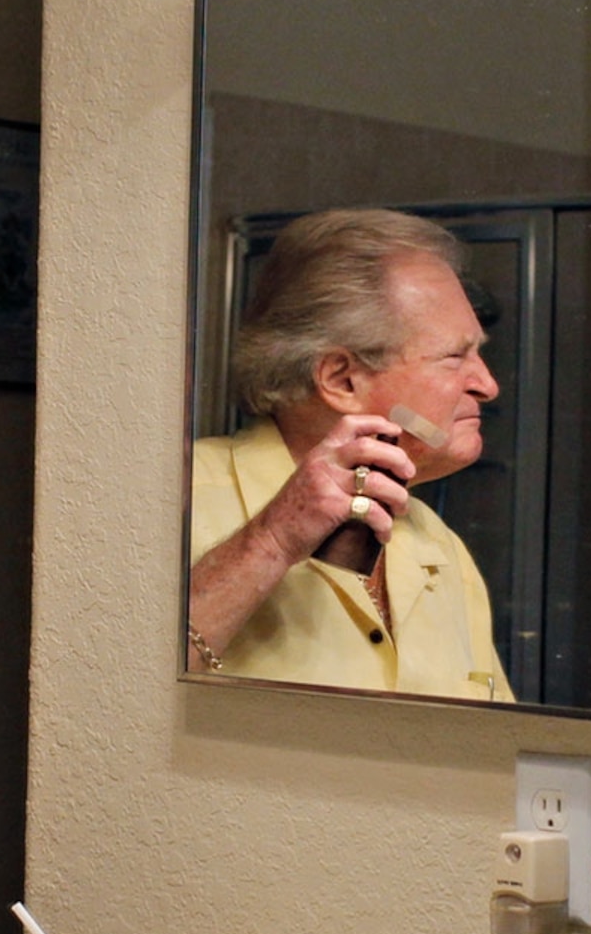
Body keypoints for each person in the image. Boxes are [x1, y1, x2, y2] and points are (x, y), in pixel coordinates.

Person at [185, 207, 514, 700]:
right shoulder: (176, 493)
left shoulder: (438, 544)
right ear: (342, 380)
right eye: (454, 357)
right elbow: (106, 692)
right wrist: (273, 540)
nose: (488, 385)